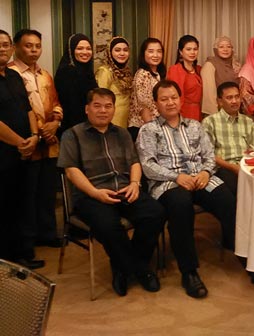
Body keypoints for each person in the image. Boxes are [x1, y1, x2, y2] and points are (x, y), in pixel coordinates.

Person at [59, 88, 164, 297]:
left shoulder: (122, 133)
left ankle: (124, 266)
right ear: (87, 109)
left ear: (114, 109)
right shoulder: (73, 135)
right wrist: (95, 193)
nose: (103, 111)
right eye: (97, 106)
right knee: (108, 225)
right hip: (92, 194)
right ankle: (138, 269)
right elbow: (71, 171)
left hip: (125, 188)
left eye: (108, 106)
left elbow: (135, 162)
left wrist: (135, 183)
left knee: (156, 213)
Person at [137, 80, 237, 299]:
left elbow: (209, 156)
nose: (170, 102)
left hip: (199, 177)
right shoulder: (149, 130)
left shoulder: (195, 125)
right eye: (164, 99)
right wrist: (177, 176)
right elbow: (148, 166)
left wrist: (206, 173)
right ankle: (189, 272)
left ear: (180, 99)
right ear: (156, 103)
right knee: (181, 206)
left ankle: (242, 251)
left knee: (227, 199)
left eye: (174, 97)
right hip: (168, 183)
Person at [9, 29, 63, 251]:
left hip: (49, 143)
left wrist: (56, 122)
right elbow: (19, 111)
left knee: (47, 192)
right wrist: (40, 131)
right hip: (27, 142)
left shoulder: (45, 74)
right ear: (16, 47)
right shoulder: (10, 74)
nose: (34, 50)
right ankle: (27, 240)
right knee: (27, 194)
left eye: (37, 46)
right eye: (28, 45)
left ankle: (48, 233)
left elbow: (56, 102)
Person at [0, 29, 43, 269]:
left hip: (26, 151)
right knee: (4, 207)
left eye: (6, 44)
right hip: (5, 153)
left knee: (23, 204)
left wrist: (34, 136)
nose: (2, 48)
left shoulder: (14, 76)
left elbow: (28, 109)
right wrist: (20, 142)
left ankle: (22, 254)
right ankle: (6, 260)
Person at [202, 81, 254, 195]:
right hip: (222, 168)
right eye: (229, 98)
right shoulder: (210, 122)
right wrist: (233, 167)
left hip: (246, 166)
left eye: (237, 97)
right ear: (220, 101)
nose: (234, 101)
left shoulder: (248, 121)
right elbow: (208, 155)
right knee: (238, 187)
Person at [55, 33, 98, 133]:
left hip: (89, 125)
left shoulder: (86, 71)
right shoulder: (67, 72)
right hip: (74, 129)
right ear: (71, 51)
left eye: (88, 48)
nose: (85, 52)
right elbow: (71, 106)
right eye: (80, 48)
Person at [128, 37, 166, 140]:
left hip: (155, 125)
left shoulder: (157, 74)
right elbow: (144, 108)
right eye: (151, 51)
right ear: (143, 54)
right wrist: (153, 132)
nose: (155, 55)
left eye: (159, 51)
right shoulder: (143, 75)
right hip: (143, 127)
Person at [95, 36, 132, 128]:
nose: (122, 53)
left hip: (127, 121)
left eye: (125, 50)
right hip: (111, 121)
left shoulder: (127, 72)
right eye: (117, 50)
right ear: (110, 52)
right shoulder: (105, 71)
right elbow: (100, 98)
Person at [201, 36, 241, 116]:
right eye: (221, 47)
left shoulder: (235, 65)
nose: (225, 49)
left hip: (233, 109)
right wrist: (214, 115)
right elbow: (209, 94)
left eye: (228, 47)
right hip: (218, 112)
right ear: (216, 49)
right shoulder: (210, 65)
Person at [167, 35, 202, 121]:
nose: (192, 52)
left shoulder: (199, 69)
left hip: (198, 111)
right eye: (188, 49)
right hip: (183, 112)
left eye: (195, 49)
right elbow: (176, 96)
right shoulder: (175, 70)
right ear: (181, 52)